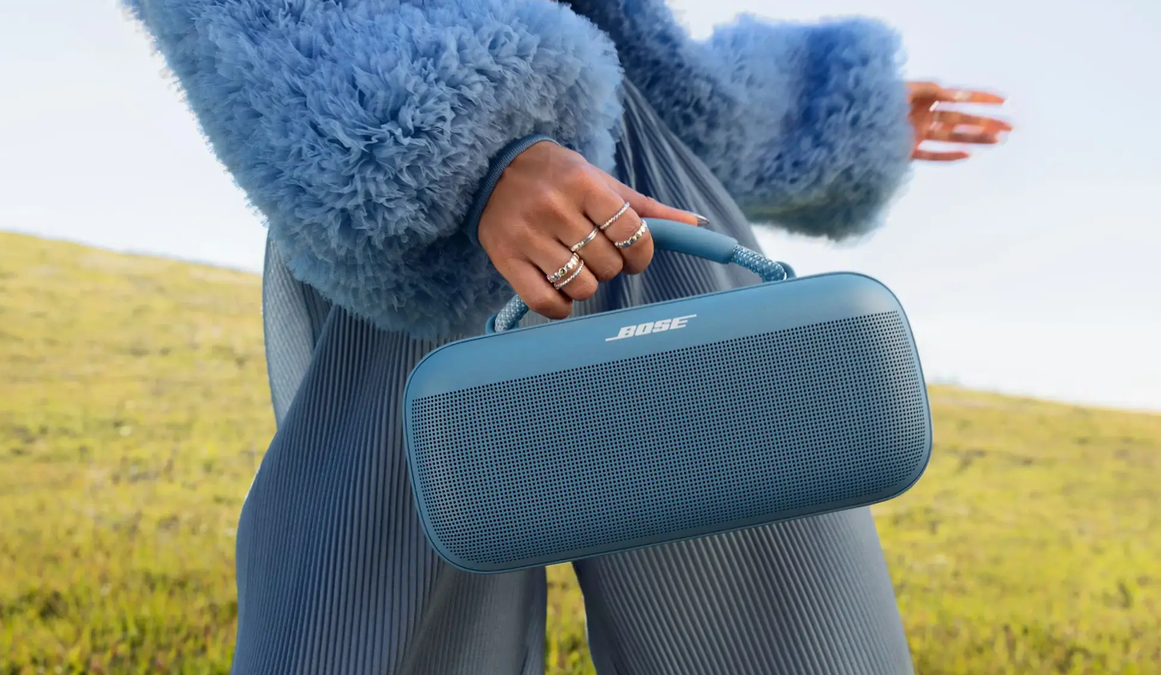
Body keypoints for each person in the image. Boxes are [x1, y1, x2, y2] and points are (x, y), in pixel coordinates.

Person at [122, 1, 1011, 673]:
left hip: (617, 196)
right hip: (418, 229)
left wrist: (829, 114)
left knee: (788, 623)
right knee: (377, 627)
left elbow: (635, 53)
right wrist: (462, 154)